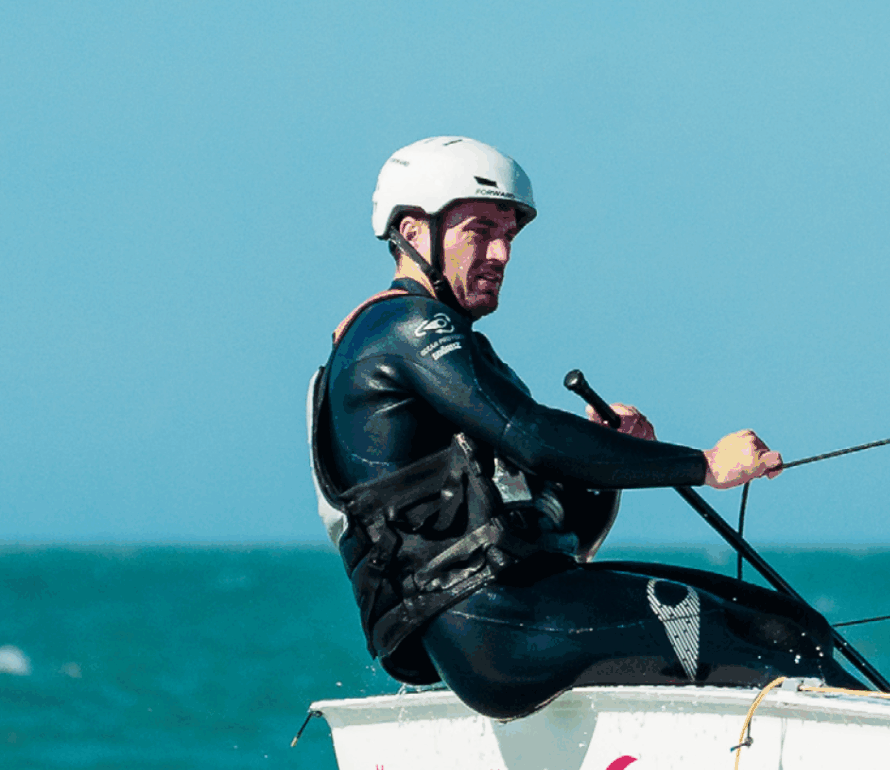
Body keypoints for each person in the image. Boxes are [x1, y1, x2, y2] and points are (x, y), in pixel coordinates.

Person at [311, 135, 852, 719]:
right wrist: (705, 465)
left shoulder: (455, 349)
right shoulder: (400, 329)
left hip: (523, 603)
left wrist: (607, 459)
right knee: (778, 645)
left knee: (787, 623)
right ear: (414, 231)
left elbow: (562, 522)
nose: (501, 254)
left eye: (509, 236)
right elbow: (533, 436)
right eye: (480, 231)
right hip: (493, 625)